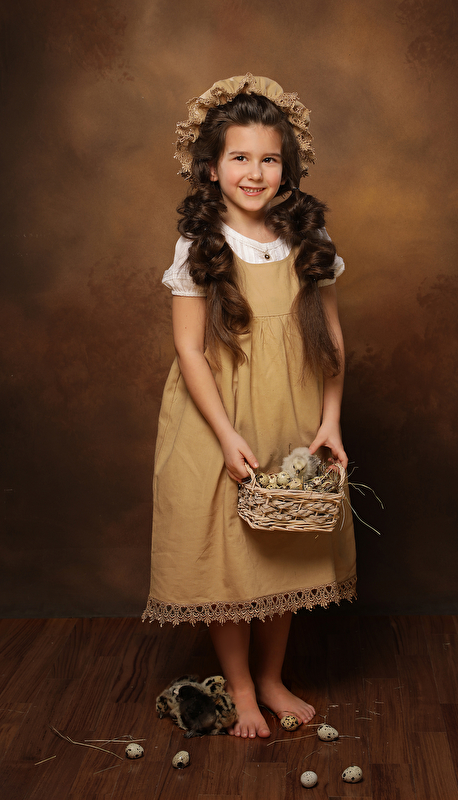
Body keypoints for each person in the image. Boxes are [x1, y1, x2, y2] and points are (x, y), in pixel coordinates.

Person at [142, 74, 356, 739]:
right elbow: (189, 350)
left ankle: (270, 676)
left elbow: (331, 341)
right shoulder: (199, 244)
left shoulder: (306, 236)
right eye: (239, 157)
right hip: (218, 415)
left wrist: (330, 418)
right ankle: (239, 686)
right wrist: (225, 434)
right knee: (226, 555)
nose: (255, 173)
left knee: (280, 544)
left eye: (269, 159)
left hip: (289, 407)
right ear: (211, 167)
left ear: (287, 168)